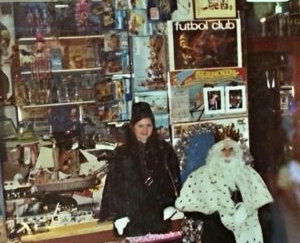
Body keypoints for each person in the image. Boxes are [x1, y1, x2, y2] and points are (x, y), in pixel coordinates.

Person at [99, 102, 180, 237]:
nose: (145, 130)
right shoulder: (122, 153)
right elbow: (112, 186)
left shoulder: (164, 150)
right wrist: (119, 214)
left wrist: (171, 205)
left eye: (148, 125)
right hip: (132, 218)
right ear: (132, 127)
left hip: (159, 215)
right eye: (140, 126)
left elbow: (174, 179)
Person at [175, 132, 273, 242]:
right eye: (223, 150)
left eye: (231, 149)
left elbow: (261, 204)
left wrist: (246, 210)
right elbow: (188, 208)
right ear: (215, 153)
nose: (227, 154)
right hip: (216, 234)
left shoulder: (248, 174)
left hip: (245, 232)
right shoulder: (201, 175)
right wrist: (216, 215)